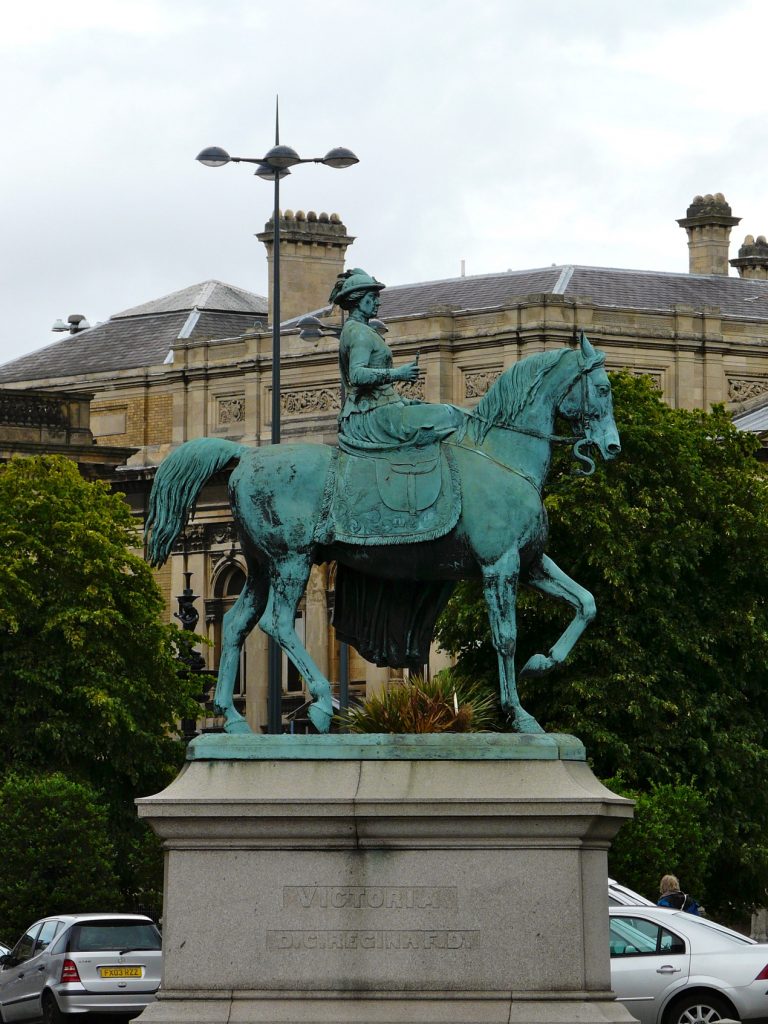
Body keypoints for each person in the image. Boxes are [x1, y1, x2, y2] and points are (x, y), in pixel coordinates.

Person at [328, 268, 463, 453]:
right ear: (358, 299)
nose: (378, 302)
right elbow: (357, 374)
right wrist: (399, 374)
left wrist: (402, 401)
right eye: (373, 296)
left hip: (381, 407)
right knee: (450, 415)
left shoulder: (362, 330)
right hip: (374, 414)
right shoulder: (358, 332)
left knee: (447, 411)